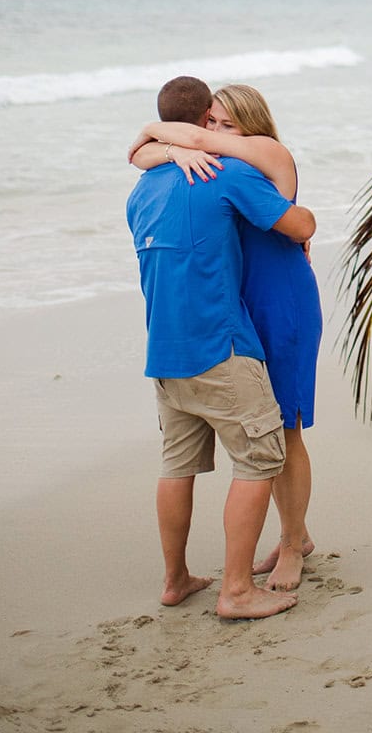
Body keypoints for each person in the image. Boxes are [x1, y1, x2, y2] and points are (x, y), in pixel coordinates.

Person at [125, 74, 315, 620]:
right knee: (262, 453)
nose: (213, 131)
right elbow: (300, 223)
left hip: (182, 340)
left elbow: (294, 221)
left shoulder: (148, 186)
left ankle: (181, 576)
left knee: (185, 461)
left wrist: (158, 141)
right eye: (209, 121)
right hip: (225, 332)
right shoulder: (223, 175)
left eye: (226, 123)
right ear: (198, 120)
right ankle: (235, 589)